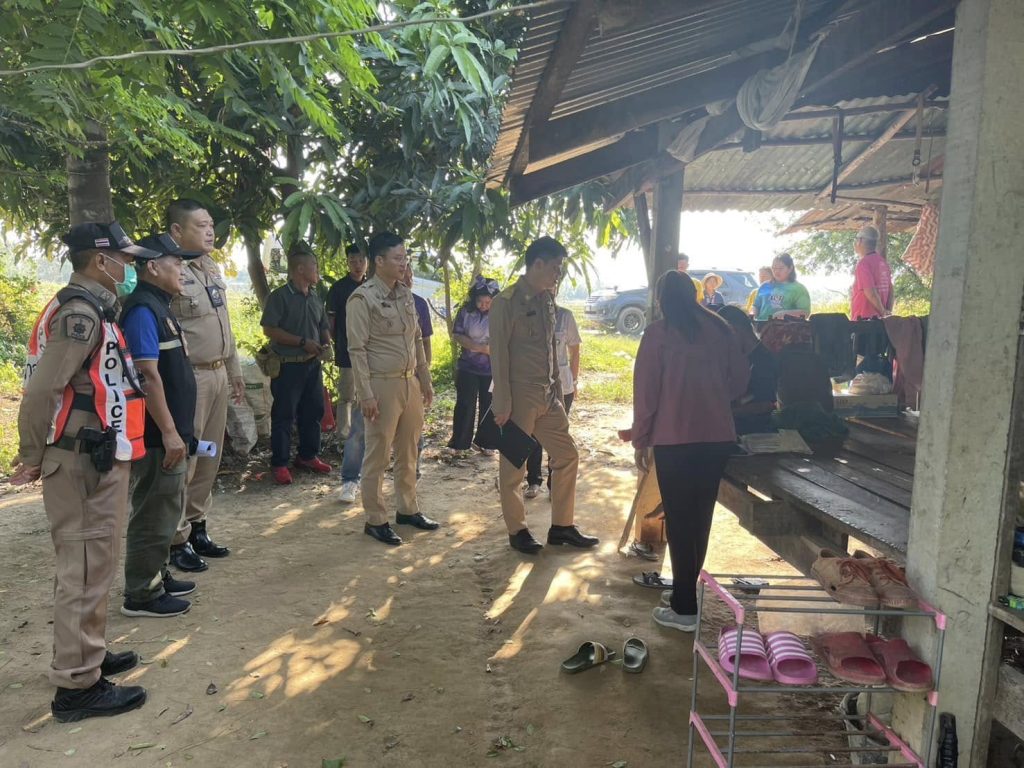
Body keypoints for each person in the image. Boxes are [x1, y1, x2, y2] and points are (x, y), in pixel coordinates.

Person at [12, 221, 152, 721]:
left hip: (93, 454)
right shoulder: (81, 313)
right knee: (86, 568)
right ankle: (77, 687)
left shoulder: (89, 306)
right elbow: (43, 389)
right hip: (80, 459)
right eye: (125, 259)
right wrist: (32, 454)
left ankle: (87, 653)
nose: (129, 267)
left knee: (90, 564)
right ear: (100, 261)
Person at [631, 270, 749, 632]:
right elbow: (739, 382)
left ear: (661, 300)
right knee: (699, 519)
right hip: (716, 438)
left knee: (680, 522)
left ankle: (684, 608)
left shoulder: (659, 334)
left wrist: (641, 438)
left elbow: (646, 394)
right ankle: (685, 592)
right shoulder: (720, 329)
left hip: (674, 439)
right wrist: (712, 397)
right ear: (694, 295)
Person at [490, 236, 598, 554]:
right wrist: (502, 401)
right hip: (519, 395)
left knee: (567, 455)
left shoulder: (546, 300)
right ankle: (517, 530)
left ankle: (562, 527)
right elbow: (498, 354)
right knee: (514, 467)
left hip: (548, 394)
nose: (557, 274)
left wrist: (558, 391)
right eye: (555, 267)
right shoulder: (506, 302)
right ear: (537, 264)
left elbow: (552, 348)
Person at [120, 233, 203, 618]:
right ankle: (141, 594)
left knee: (167, 509)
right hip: (156, 435)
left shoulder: (159, 305)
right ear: (152, 267)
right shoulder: (142, 310)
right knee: (153, 512)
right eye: (177, 263)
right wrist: (169, 432)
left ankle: (157, 574)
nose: (183, 270)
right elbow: (147, 377)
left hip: (170, 431)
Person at [166, 200, 244, 572]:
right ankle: (175, 538)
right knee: (187, 458)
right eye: (201, 225)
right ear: (177, 231)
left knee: (210, 455)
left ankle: (197, 525)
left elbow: (223, 323)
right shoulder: (168, 270)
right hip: (190, 377)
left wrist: (234, 371)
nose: (210, 231)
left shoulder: (210, 267)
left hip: (217, 374)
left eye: (211, 224)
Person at [347, 232, 436, 546]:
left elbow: (416, 340)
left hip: (409, 382)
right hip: (381, 384)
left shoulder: (406, 295)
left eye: (405, 257)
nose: (403, 263)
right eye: (397, 258)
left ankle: (408, 510)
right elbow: (356, 350)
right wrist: (366, 394)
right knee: (378, 454)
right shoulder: (362, 299)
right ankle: (375, 519)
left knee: (409, 450)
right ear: (379, 261)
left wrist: (424, 379)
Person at [260, 242, 333, 485]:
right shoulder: (279, 297)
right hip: (288, 365)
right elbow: (270, 329)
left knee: (314, 410)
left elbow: (323, 325)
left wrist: (326, 343)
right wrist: (302, 342)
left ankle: (308, 456)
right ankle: (280, 463)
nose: (317, 270)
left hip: (312, 365)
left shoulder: (315, 296)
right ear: (300, 269)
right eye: (314, 266)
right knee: (284, 414)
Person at [525, 297, 581, 497]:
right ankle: (533, 480)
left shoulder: (565, 317)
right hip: (535, 386)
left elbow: (575, 350)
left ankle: (554, 483)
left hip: (562, 386)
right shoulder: (528, 316)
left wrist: (574, 380)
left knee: (557, 435)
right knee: (534, 433)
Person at [447, 276, 500, 456]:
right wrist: (480, 348)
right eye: (480, 301)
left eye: (487, 302)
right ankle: (459, 444)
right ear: (473, 299)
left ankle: (487, 443)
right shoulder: (465, 311)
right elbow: (457, 334)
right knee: (465, 403)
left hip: (492, 369)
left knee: (490, 404)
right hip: (468, 366)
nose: (483, 305)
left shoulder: (501, 314)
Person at [326, 243, 368, 441]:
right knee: (347, 395)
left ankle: (363, 434)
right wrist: (333, 341)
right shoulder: (338, 288)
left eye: (361, 260)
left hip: (371, 350)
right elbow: (330, 320)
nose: (357, 265)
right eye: (353, 261)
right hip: (347, 349)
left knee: (367, 394)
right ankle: (343, 436)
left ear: (367, 262)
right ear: (347, 263)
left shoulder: (372, 286)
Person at [718, 306, 778, 434]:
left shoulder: (764, 360)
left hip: (756, 430)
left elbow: (766, 404)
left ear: (734, 330)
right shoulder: (741, 357)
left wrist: (724, 412)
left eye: (722, 337)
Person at [404, 262, 433, 478]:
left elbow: (424, 341)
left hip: (414, 374)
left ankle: (413, 468)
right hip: (387, 378)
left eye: (411, 275)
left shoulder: (419, 304)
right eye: (404, 274)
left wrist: (425, 376)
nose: (408, 279)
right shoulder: (373, 300)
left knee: (415, 425)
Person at [850, 224, 893, 320]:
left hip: (864, 319)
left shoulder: (863, 264)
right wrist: (887, 312)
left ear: (860, 241)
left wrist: (883, 312)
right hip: (880, 320)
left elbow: (870, 292)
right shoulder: (883, 263)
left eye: (856, 239)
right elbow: (890, 290)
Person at [754, 253, 811, 321]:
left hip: (785, 326)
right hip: (761, 325)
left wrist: (783, 314)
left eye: (781, 268)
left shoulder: (799, 289)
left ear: (790, 268)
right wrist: (752, 316)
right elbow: (756, 306)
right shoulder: (764, 286)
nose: (776, 271)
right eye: (774, 268)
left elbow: (805, 312)